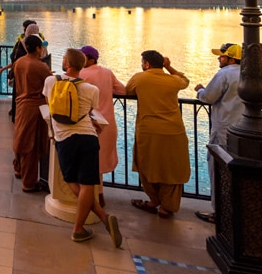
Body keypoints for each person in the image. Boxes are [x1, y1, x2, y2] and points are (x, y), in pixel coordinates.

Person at [43, 49, 122, 247]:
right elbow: (87, 112)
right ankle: (92, 222)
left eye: (63, 59)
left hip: (64, 138)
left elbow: (51, 108)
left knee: (71, 180)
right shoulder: (91, 90)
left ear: (68, 64)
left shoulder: (51, 82)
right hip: (88, 137)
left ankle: (95, 221)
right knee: (88, 183)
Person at [126, 51, 190, 218]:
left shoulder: (139, 78)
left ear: (146, 64)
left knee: (146, 165)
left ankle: (153, 200)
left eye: (142, 62)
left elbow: (127, 91)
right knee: (173, 169)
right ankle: (167, 207)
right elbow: (185, 80)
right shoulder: (173, 80)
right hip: (174, 130)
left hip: (149, 130)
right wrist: (169, 67)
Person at [193, 43, 244, 224]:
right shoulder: (248, 73)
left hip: (223, 129)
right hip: (242, 131)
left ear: (231, 59)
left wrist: (199, 90)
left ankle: (219, 213)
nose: (218, 59)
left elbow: (209, 97)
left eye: (221, 56)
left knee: (218, 169)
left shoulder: (224, 74)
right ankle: (236, 211)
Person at [77, 45, 126, 202]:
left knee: (89, 161)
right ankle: (99, 194)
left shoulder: (82, 74)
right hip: (108, 124)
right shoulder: (107, 72)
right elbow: (123, 90)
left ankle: (93, 198)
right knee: (97, 161)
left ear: (91, 59)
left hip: (91, 123)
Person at [12, 34, 51, 193]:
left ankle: (19, 169)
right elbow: (50, 83)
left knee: (21, 137)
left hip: (21, 104)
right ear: (37, 48)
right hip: (35, 107)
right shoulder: (40, 66)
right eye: (41, 47)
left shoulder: (19, 62)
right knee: (31, 145)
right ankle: (29, 183)